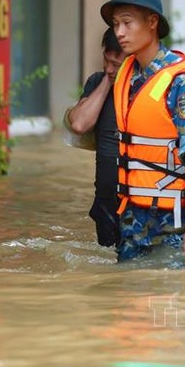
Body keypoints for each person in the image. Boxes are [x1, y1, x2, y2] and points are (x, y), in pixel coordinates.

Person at [100, 0, 185, 265]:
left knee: (169, 303)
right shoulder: (127, 71)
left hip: (175, 220)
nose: (119, 32)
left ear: (152, 23)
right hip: (133, 218)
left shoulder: (181, 81)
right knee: (127, 301)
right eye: (116, 24)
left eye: (127, 23)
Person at [65, 28, 126, 247]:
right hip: (106, 202)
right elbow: (79, 124)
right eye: (106, 61)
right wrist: (108, 81)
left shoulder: (150, 89)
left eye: (116, 64)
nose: (109, 68)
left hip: (140, 202)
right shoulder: (97, 82)